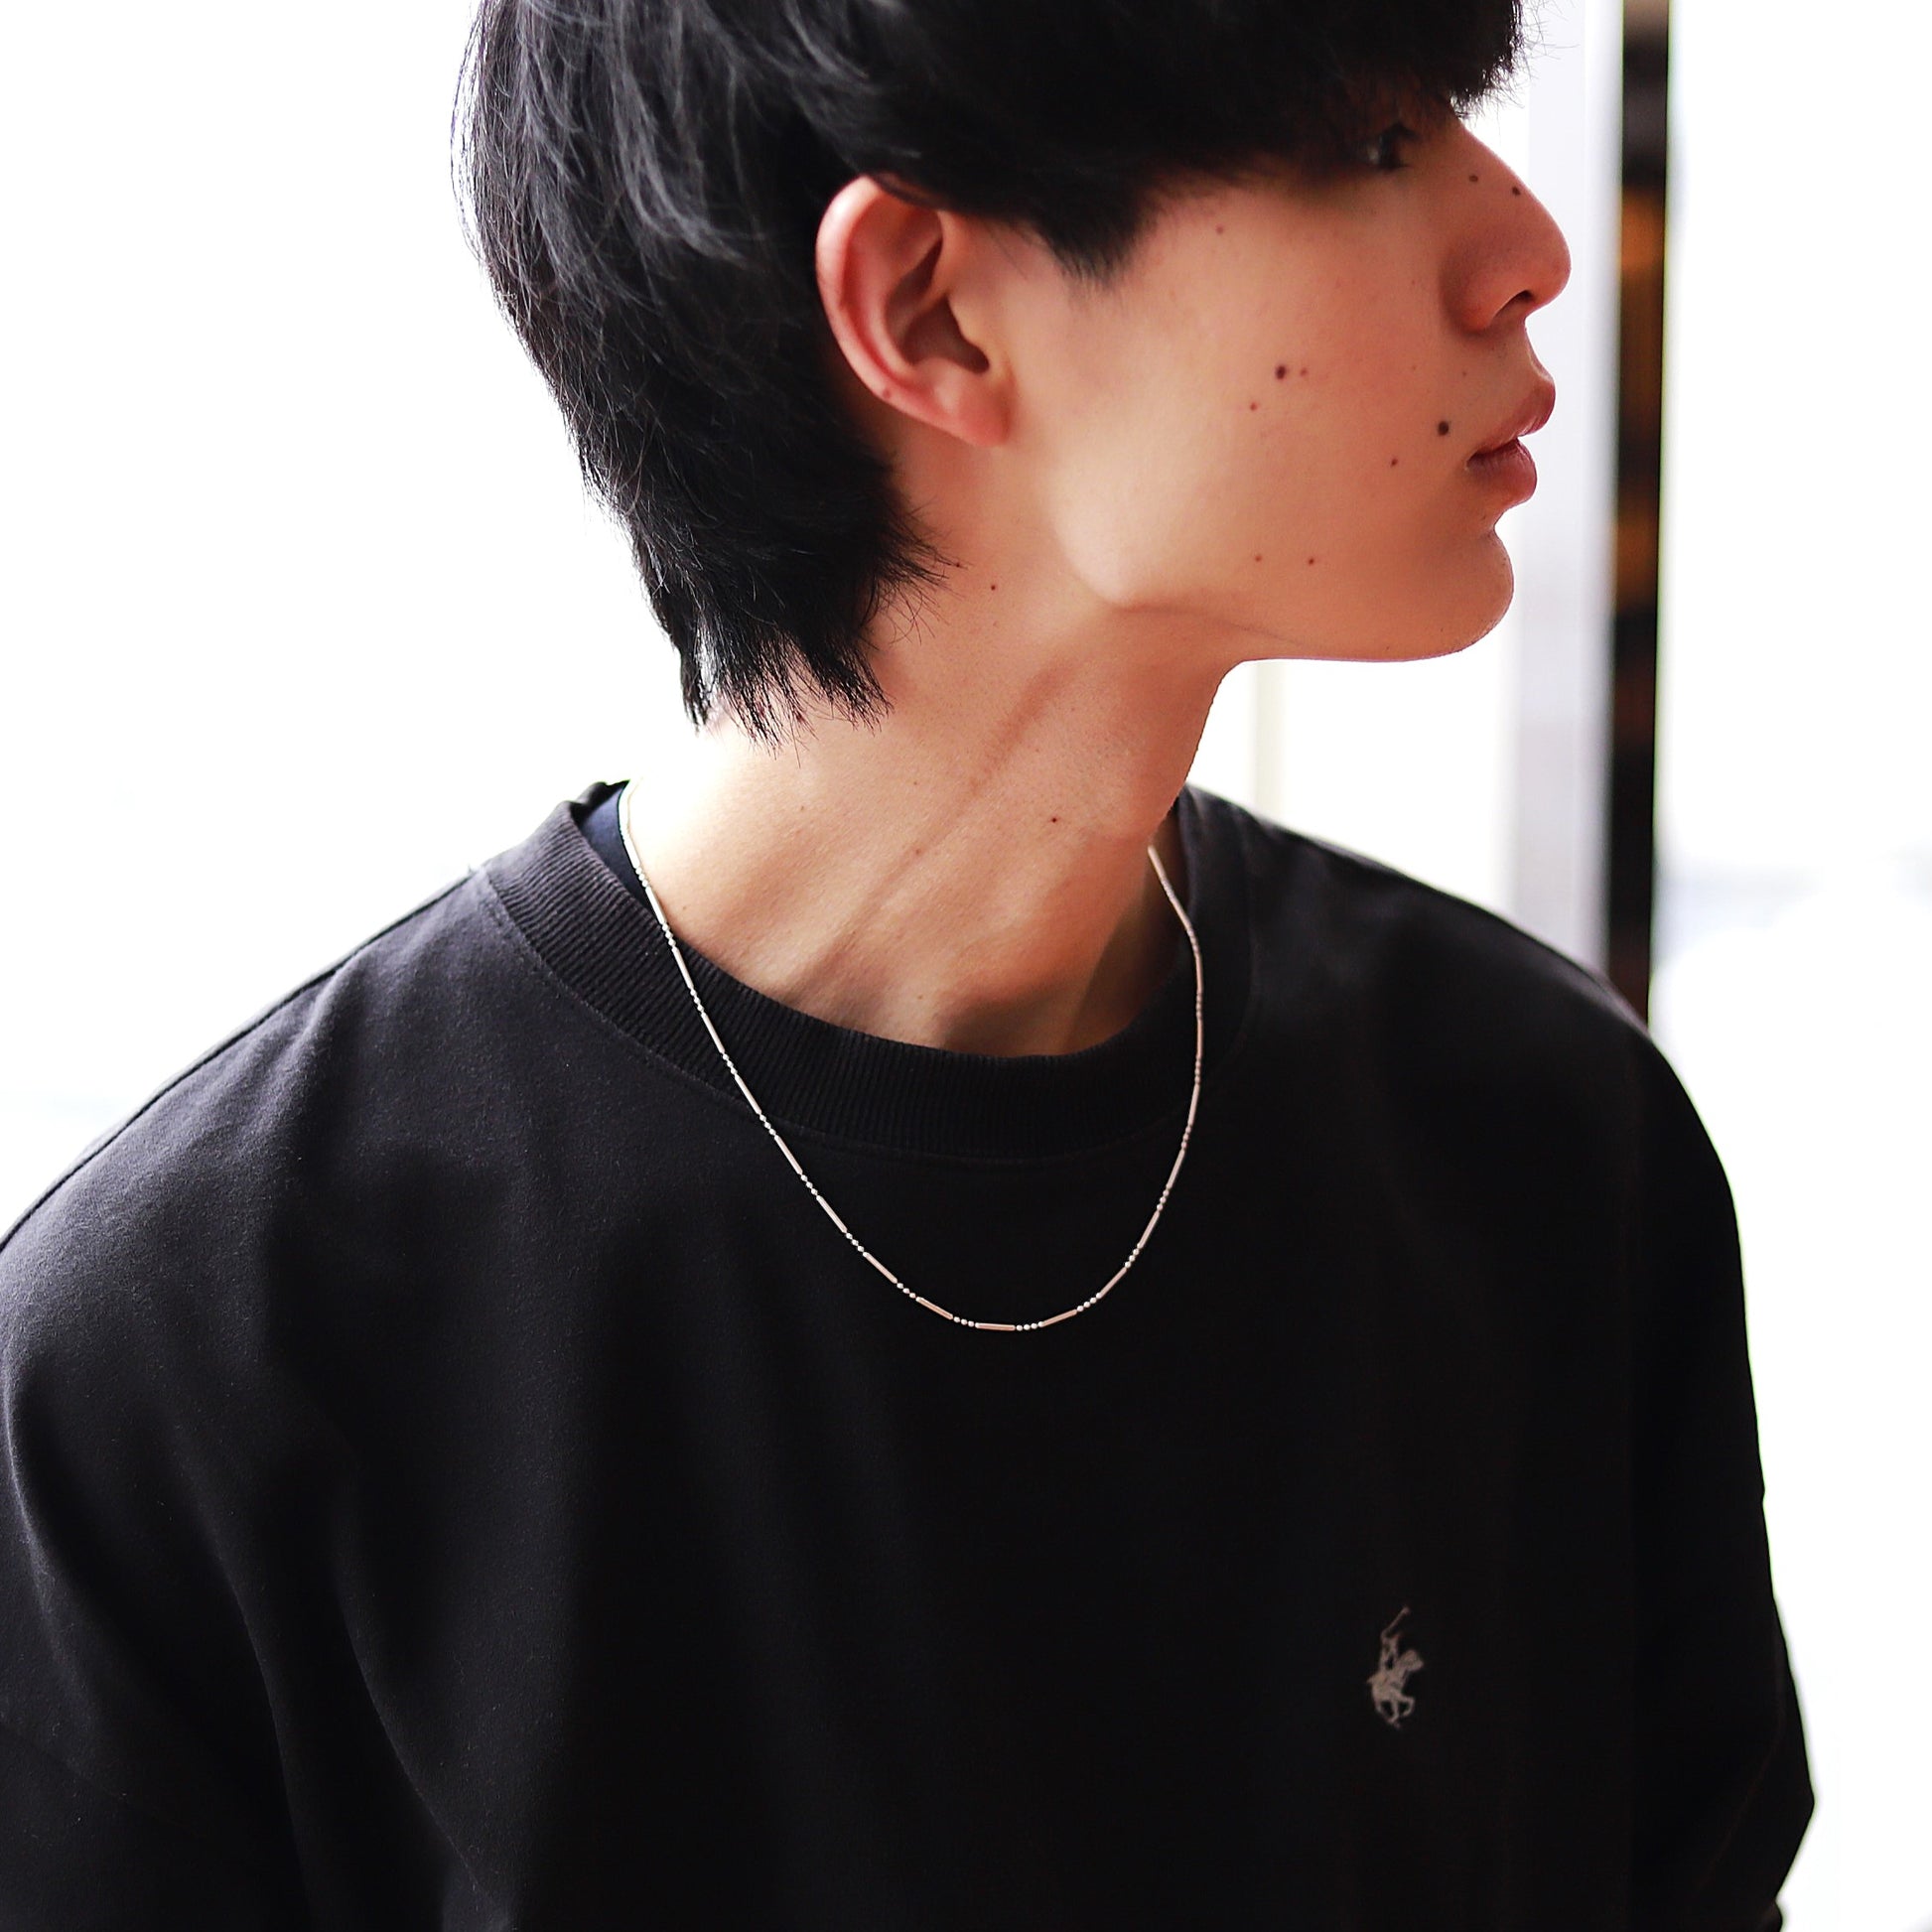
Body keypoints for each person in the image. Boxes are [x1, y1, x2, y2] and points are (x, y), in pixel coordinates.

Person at [0, 0, 1813, 1925]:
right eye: (1369, 144)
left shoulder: (1537, 1138)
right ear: (930, 310)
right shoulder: (183, 1383)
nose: (1527, 245)